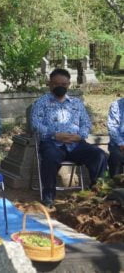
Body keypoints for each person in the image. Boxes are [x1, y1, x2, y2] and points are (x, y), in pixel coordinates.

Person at [31, 68, 107, 208]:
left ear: (68, 84)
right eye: (56, 83)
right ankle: (48, 196)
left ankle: (97, 192)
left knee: (99, 155)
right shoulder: (41, 102)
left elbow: (86, 123)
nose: (60, 86)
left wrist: (80, 136)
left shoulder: (76, 103)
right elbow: (36, 124)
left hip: (76, 144)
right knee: (50, 157)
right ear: (50, 84)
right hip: (52, 143)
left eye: (64, 84)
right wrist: (54, 134)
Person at [107, 98, 124, 176]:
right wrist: (121, 143)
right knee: (116, 157)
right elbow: (112, 127)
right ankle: (116, 185)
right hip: (119, 144)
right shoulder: (116, 105)